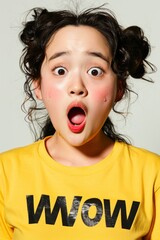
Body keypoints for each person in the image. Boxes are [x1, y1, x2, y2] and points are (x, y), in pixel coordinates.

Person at [0, 5, 160, 240]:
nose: (77, 86)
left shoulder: (152, 174)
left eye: (95, 71)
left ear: (119, 89)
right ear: (38, 85)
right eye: (60, 70)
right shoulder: (5, 173)